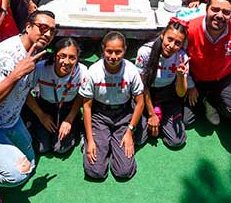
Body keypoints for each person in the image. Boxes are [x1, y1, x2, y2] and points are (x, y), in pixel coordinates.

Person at [0, 10, 56, 202]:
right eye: (42, 28)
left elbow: (24, 90)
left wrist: (40, 115)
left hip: (10, 121)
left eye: (52, 31)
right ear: (28, 27)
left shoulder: (34, 51)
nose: (47, 34)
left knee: (30, 164)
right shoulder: (8, 55)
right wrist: (16, 74)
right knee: (18, 175)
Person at [80, 31, 145, 180]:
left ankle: (112, 143)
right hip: (100, 116)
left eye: (118, 52)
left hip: (124, 116)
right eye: (109, 51)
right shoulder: (93, 72)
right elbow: (87, 107)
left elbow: (140, 102)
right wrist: (90, 140)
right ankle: (95, 140)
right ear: (103, 50)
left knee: (124, 172)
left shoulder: (131, 70)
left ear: (125, 50)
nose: (113, 56)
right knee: (95, 172)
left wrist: (130, 131)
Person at [184, 0, 231, 127]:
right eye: (215, 9)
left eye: (226, 12)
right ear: (206, 9)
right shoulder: (190, 28)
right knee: (187, 120)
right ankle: (203, 98)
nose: (220, 15)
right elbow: (180, 59)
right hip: (196, 78)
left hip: (223, 78)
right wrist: (190, 85)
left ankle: (211, 100)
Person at [24, 37, 87, 154]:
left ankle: (79, 129)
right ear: (54, 56)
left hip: (68, 108)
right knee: (42, 148)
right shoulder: (41, 68)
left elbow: (81, 96)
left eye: (72, 57)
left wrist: (69, 119)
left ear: (77, 58)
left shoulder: (83, 71)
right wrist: (41, 115)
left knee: (60, 149)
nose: (66, 62)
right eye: (62, 56)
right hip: (45, 106)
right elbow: (26, 92)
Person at [135, 19, 191, 148]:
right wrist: (152, 114)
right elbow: (143, 87)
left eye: (178, 43)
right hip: (146, 94)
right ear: (162, 35)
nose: (171, 46)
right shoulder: (145, 52)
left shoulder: (182, 58)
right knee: (138, 139)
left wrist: (181, 76)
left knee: (176, 141)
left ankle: (162, 120)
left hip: (168, 96)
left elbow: (181, 93)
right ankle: (156, 117)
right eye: (169, 39)